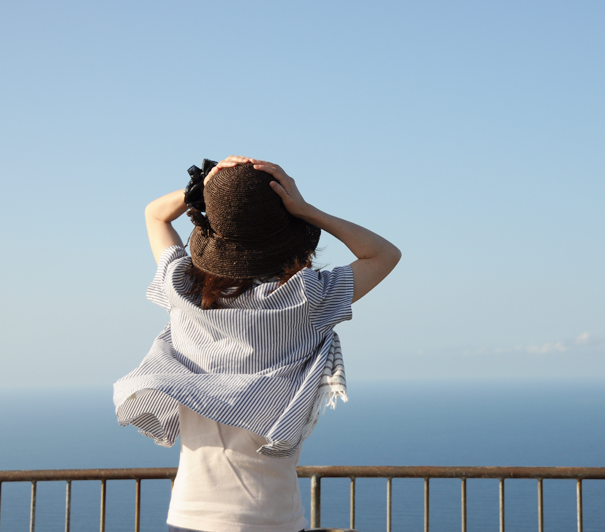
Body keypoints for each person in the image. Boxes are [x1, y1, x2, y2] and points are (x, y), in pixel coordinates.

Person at [114, 156, 401, 532]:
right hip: (271, 518)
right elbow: (383, 254)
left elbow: (155, 215)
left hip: (189, 515)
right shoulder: (307, 299)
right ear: (286, 228)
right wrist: (306, 209)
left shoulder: (182, 291)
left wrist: (207, 191)